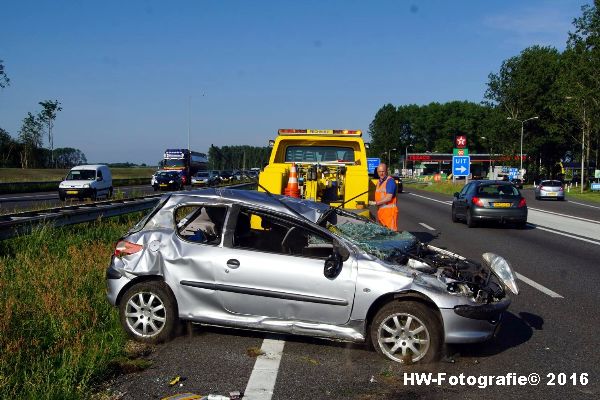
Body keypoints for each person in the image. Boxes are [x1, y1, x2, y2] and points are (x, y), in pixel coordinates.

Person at [369, 163, 398, 231]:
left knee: (391, 233)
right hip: (381, 212)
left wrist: (375, 203)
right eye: (379, 172)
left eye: (383, 171)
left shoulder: (390, 181)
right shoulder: (379, 182)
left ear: (386, 171)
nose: (381, 173)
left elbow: (388, 197)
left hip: (389, 213)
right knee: (384, 233)